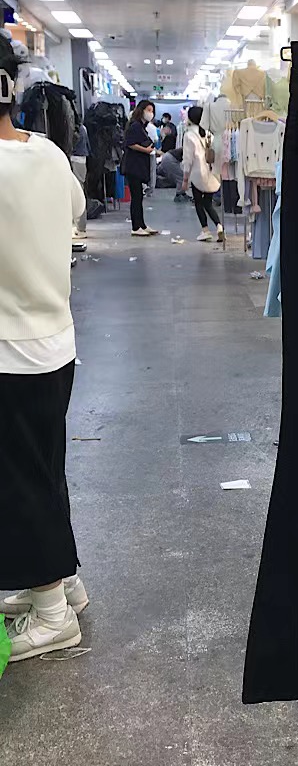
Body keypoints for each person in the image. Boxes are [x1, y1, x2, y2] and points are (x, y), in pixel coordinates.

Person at [0, 35, 90, 662]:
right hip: (53, 343)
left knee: (19, 483)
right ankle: (62, 584)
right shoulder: (48, 152)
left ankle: (52, 610)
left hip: (9, 350)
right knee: (43, 470)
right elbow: (75, 211)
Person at [182, 105, 224, 243]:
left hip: (197, 173)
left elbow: (188, 159)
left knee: (199, 203)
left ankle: (205, 230)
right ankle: (219, 226)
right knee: (208, 203)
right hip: (211, 172)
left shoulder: (189, 135)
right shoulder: (209, 134)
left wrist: (185, 179)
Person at [122, 100, 159, 236]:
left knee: (139, 197)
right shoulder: (135, 126)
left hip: (138, 165)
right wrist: (145, 150)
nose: (151, 113)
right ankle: (136, 226)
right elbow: (130, 143)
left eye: (152, 111)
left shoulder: (142, 126)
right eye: (148, 110)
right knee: (136, 197)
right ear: (141, 110)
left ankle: (141, 224)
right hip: (133, 166)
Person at [71, 123, 90, 239]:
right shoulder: (83, 128)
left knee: (77, 194)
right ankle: (80, 226)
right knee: (79, 192)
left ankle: (80, 228)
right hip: (82, 159)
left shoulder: (75, 129)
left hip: (75, 159)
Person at [145, 116, 159, 197]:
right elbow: (156, 140)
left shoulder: (137, 126)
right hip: (151, 151)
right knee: (152, 171)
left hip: (141, 152)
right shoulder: (153, 127)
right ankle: (150, 190)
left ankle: (144, 188)